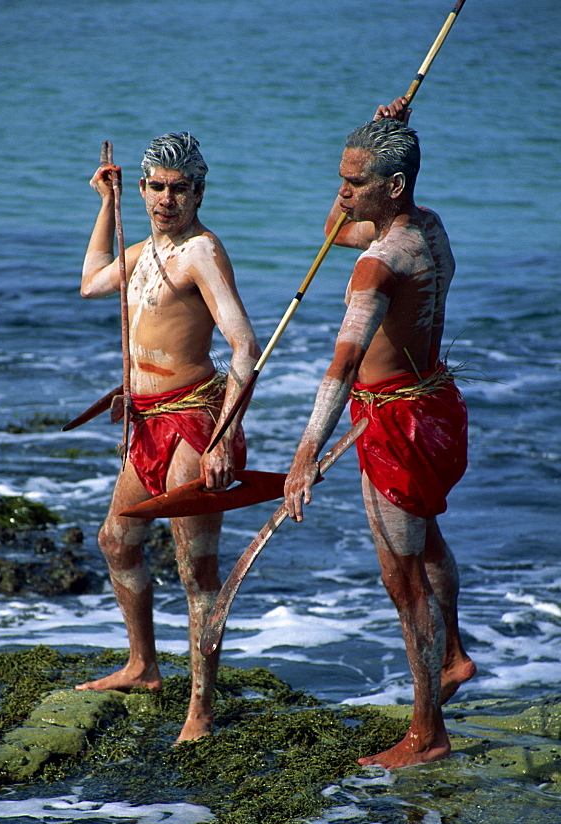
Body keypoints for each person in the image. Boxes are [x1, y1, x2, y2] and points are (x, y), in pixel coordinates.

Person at [284, 98, 475, 769]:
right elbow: (335, 229)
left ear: (390, 186)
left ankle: (427, 733)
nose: (341, 190)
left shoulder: (378, 266)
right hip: (437, 408)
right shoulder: (425, 227)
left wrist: (305, 453)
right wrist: (382, 128)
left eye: (355, 180)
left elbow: (341, 362)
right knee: (424, 544)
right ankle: (451, 657)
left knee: (402, 579)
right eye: (340, 176)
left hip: (393, 423)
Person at [75, 132, 260, 742]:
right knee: (116, 540)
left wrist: (221, 440)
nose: (165, 199)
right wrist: (109, 203)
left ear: (199, 192)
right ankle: (143, 665)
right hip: (147, 421)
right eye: (156, 186)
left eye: (179, 189)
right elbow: (92, 283)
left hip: (191, 422)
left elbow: (244, 348)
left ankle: (201, 710)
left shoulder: (201, 253)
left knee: (195, 569)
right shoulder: (144, 249)